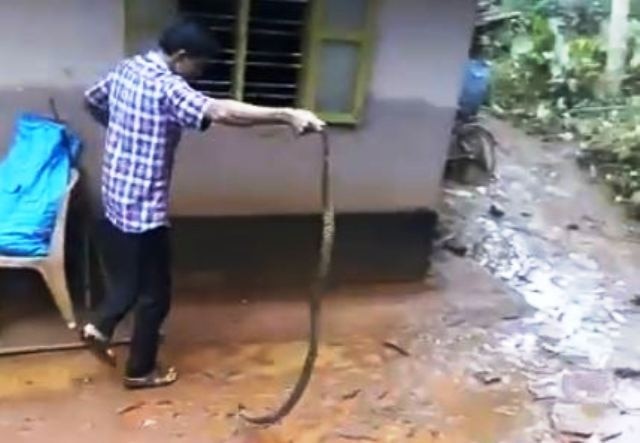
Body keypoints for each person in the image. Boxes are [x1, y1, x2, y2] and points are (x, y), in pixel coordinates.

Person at [82, 20, 325, 389]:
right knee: (155, 294)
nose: (200, 74)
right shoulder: (167, 86)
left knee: (131, 277)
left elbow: (91, 100)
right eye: (199, 66)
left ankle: (101, 326)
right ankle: (138, 368)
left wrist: (120, 127)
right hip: (144, 207)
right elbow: (221, 111)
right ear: (180, 57)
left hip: (116, 195)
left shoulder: (128, 68)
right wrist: (286, 114)